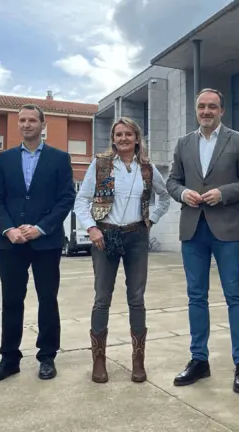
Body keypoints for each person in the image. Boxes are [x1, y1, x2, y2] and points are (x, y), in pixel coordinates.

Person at [166, 88, 239, 393]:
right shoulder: (183, 143)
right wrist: (181, 193)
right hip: (193, 229)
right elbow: (171, 181)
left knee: (234, 296)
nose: (206, 111)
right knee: (196, 297)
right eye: (201, 107)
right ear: (197, 110)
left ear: (221, 111)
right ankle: (199, 360)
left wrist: (224, 193)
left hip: (226, 228)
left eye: (212, 107)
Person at [0, 104, 76, 384]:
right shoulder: (4, 159)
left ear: (42, 124)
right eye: (22, 120)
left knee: (47, 299)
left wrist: (40, 228)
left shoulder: (60, 159)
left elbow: (66, 198)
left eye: (32, 120)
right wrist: (9, 228)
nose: (26, 124)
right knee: (11, 300)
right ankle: (9, 358)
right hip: (10, 242)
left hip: (45, 243)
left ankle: (47, 356)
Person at [74, 117, 170, 384]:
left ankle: (138, 361)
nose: (124, 138)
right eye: (119, 134)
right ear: (113, 139)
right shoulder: (101, 164)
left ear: (137, 138)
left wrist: (153, 219)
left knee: (136, 297)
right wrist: (91, 229)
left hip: (136, 235)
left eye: (129, 134)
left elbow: (164, 196)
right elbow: (82, 200)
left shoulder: (148, 168)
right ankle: (99, 361)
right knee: (102, 297)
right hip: (105, 235)